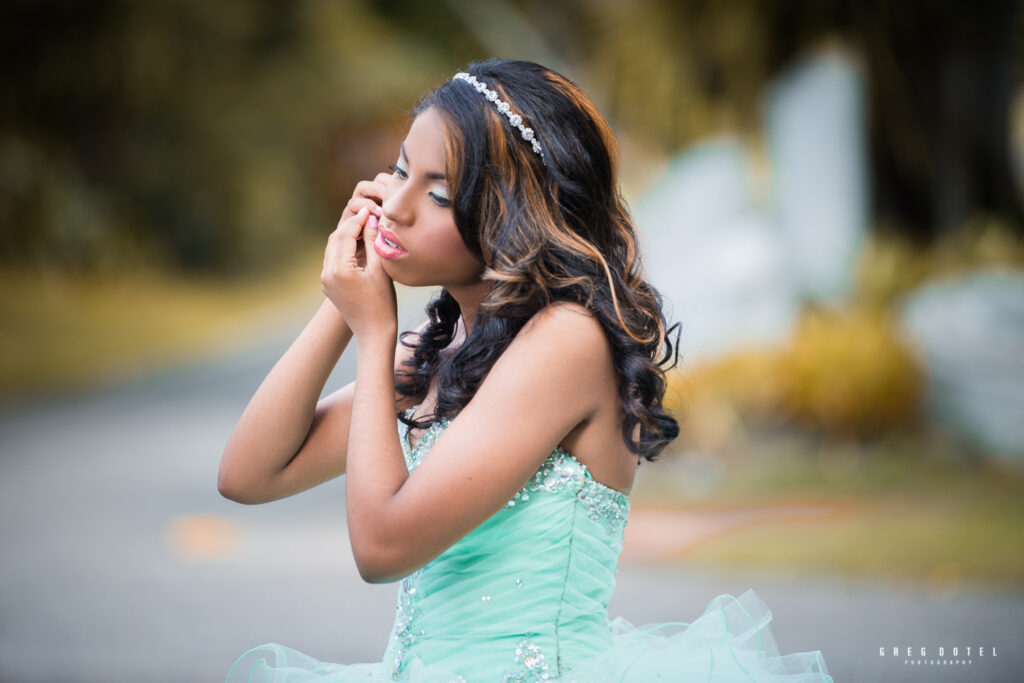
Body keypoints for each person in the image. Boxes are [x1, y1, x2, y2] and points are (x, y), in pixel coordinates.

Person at [218, 59, 832, 682]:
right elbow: (248, 473)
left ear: (513, 215)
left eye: (437, 193)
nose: (395, 207)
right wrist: (343, 298)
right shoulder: (441, 356)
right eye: (400, 170)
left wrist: (373, 332)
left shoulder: (566, 342)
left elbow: (382, 548)